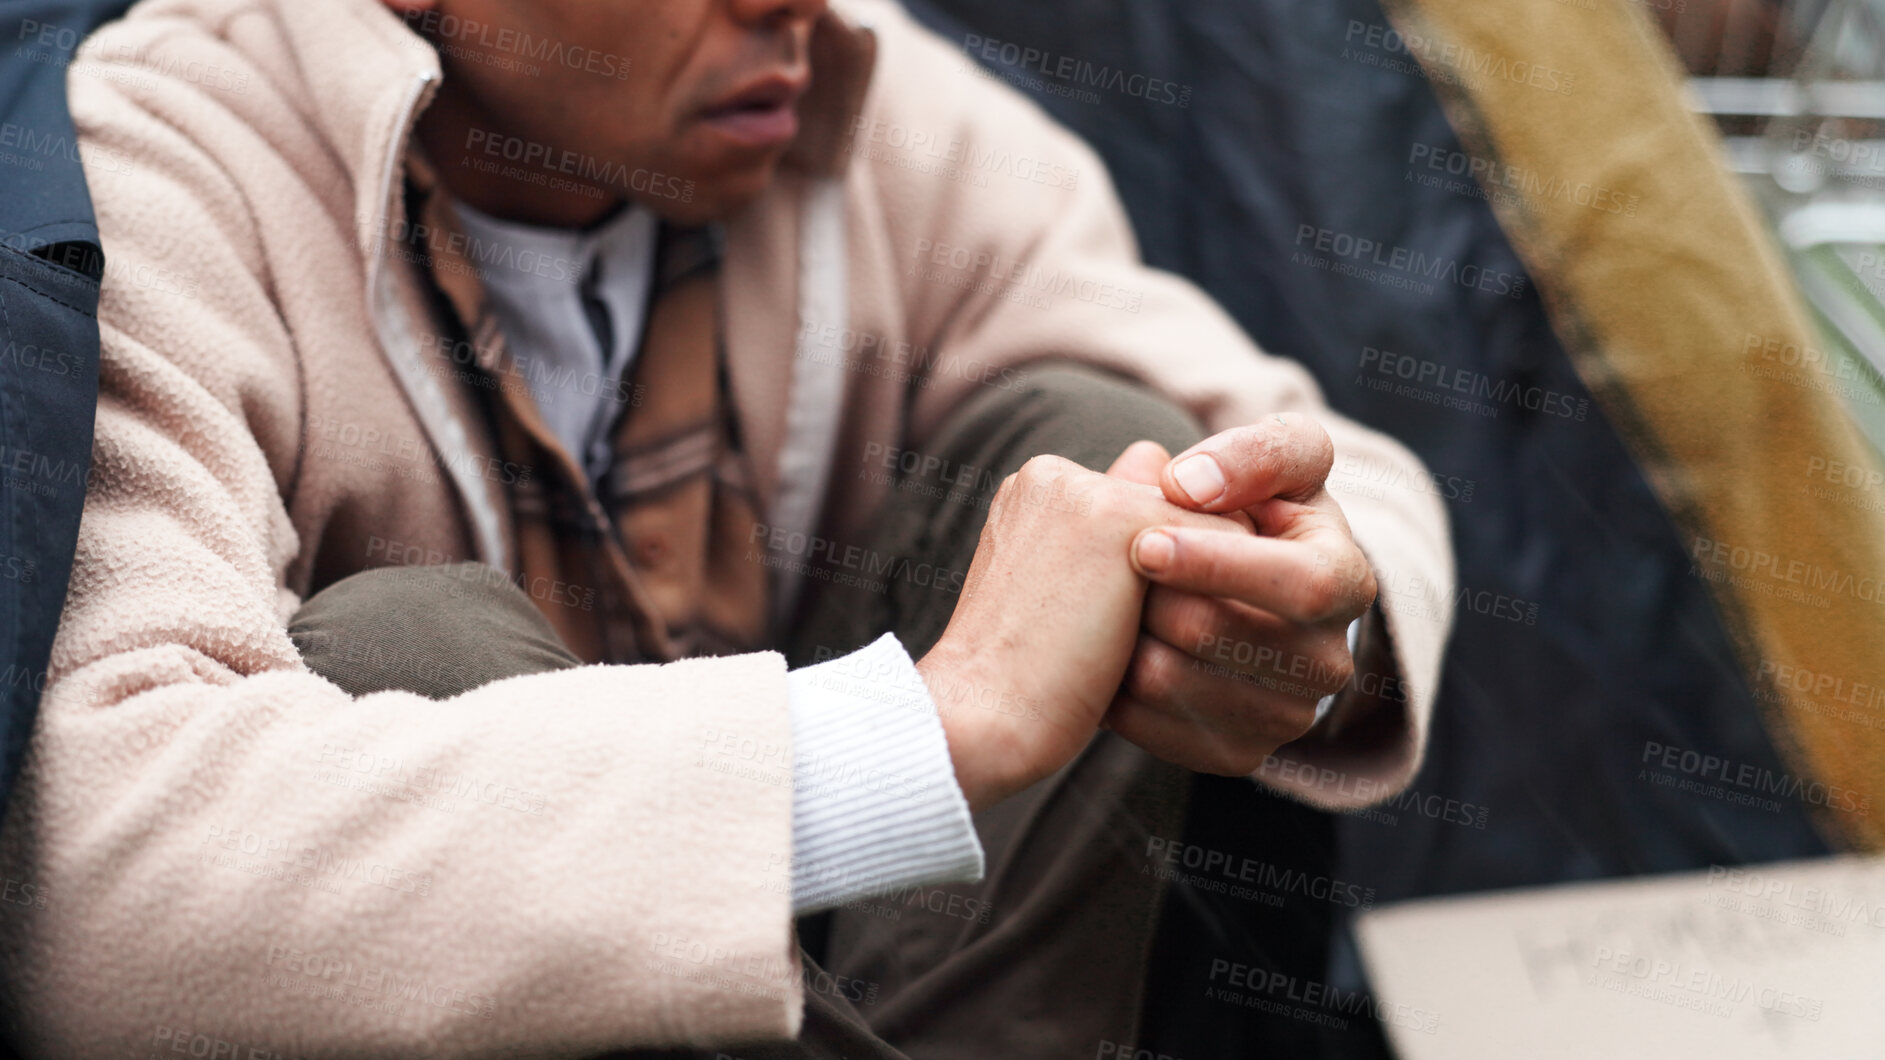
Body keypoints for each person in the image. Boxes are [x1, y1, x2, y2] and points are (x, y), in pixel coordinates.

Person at [0, 0, 1453, 1056]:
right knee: (407, 647)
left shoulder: (859, 99)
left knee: (1116, 457)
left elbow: (1343, 474)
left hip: (926, 991)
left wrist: (1291, 612)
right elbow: (97, 882)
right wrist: (926, 733)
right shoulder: (164, 164)